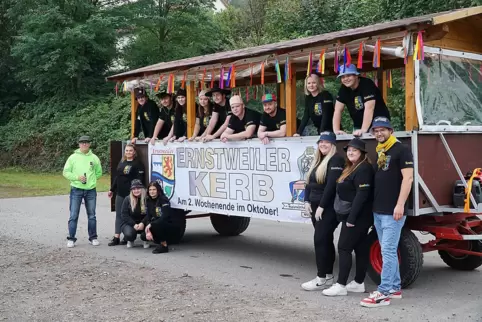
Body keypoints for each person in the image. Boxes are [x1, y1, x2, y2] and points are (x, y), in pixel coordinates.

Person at [360, 116, 414, 308]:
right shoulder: (381, 151)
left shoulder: (401, 150)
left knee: (388, 251)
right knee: (387, 249)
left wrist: (400, 205)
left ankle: (383, 293)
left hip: (393, 212)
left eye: (383, 129)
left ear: (390, 131)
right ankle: (395, 288)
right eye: (376, 130)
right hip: (379, 211)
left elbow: (408, 179)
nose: (379, 133)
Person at [322, 137, 374, 297]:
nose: (351, 152)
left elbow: (362, 196)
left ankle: (341, 285)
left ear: (362, 153)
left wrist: (351, 219)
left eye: (354, 150)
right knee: (360, 248)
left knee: (344, 247)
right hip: (353, 216)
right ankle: (358, 283)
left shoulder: (364, 169)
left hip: (357, 217)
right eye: (349, 150)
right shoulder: (351, 167)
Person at [301, 131, 345, 291]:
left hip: (328, 207)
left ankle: (321, 277)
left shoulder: (336, 159)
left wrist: (322, 206)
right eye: (321, 142)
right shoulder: (317, 161)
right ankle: (328, 275)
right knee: (325, 240)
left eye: (326, 142)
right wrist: (306, 200)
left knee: (319, 239)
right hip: (314, 206)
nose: (323, 145)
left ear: (333, 144)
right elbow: (308, 183)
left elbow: (331, 186)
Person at [62, 135, 102, 248]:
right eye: (82, 142)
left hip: (90, 190)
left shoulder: (94, 158)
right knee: (73, 215)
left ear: (89, 144)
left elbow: (99, 172)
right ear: (79, 144)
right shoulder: (72, 157)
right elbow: (66, 172)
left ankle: (93, 237)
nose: (84, 144)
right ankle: (71, 238)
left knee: (92, 215)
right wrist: (77, 177)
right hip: (76, 189)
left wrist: (91, 181)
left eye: (86, 142)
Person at [333, 64, 391, 137]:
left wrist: (363, 130)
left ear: (356, 75)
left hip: (379, 123)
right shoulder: (344, 89)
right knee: (357, 146)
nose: (345, 79)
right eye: (343, 77)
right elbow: (337, 110)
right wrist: (336, 130)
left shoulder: (367, 84)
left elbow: (369, 108)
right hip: (359, 125)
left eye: (348, 76)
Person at [107, 143, 145, 246]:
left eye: (130, 151)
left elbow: (139, 180)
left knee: (129, 215)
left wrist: (136, 192)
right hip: (120, 193)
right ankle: (116, 237)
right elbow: (117, 177)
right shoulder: (122, 162)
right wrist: (112, 189)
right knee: (119, 215)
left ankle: (127, 236)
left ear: (134, 152)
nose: (128, 152)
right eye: (127, 150)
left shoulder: (137, 164)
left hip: (130, 195)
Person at [145, 181, 181, 254]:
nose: (152, 192)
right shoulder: (148, 201)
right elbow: (148, 216)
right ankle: (159, 242)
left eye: (154, 189)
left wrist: (151, 224)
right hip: (158, 224)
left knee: (156, 224)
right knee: (143, 236)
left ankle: (164, 245)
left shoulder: (163, 199)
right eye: (150, 190)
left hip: (170, 226)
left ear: (158, 190)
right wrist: (148, 228)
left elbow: (165, 216)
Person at [120, 179, 151, 249]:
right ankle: (130, 240)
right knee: (129, 234)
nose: (136, 191)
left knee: (146, 233)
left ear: (142, 189)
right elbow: (124, 214)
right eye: (134, 189)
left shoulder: (147, 199)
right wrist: (134, 224)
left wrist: (143, 223)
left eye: (138, 188)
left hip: (145, 222)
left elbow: (150, 213)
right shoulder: (127, 199)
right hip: (130, 223)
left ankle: (145, 240)